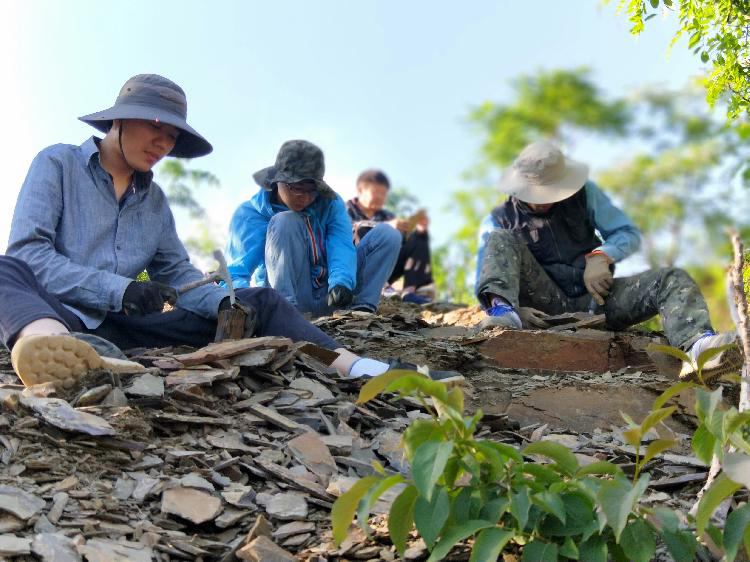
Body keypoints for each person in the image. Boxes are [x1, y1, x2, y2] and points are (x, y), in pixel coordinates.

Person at [2, 74, 461, 388]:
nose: (165, 144)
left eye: (174, 137)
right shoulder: (57, 164)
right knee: (5, 270)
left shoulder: (155, 201)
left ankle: (365, 369)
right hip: (62, 312)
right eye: (157, 127)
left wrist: (226, 299)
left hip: (130, 330)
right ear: (119, 118)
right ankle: (49, 350)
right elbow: (30, 256)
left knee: (257, 299)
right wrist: (119, 289)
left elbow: (178, 272)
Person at [474, 140, 741, 380]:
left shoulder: (585, 194)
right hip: (543, 307)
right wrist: (512, 308)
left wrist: (602, 256)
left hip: (598, 299)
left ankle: (698, 348)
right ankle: (504, 312)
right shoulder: (498, 219)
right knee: (500, 239)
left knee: (670, 278)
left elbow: (627, 233)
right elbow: (486, 276)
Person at [225, 141, 402, 316]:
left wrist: (341, 282)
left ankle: (359, 310)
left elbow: (340, 244)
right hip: (286, 299)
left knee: (388, 234)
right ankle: (286, 314)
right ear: (277, 181)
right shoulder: (248, 214)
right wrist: (243, 302)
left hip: (331, 295)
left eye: (311, 190)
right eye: (297, 188)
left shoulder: (330, 204)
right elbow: (237, 271)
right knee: (285, 220)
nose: (304, 197)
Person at [346, 169, 435, 304]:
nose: (380, 198)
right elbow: (347, 231)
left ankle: (410, 292)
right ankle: (381, 288)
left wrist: (418, 229)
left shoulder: (386, 215)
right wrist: (385, 226)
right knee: (367, 229)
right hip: (355, 263)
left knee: (417, 239)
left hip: (387, 268)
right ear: (360, 190)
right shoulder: (344, 210)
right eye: (376, 192)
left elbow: (402, 244)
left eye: (383, 194)